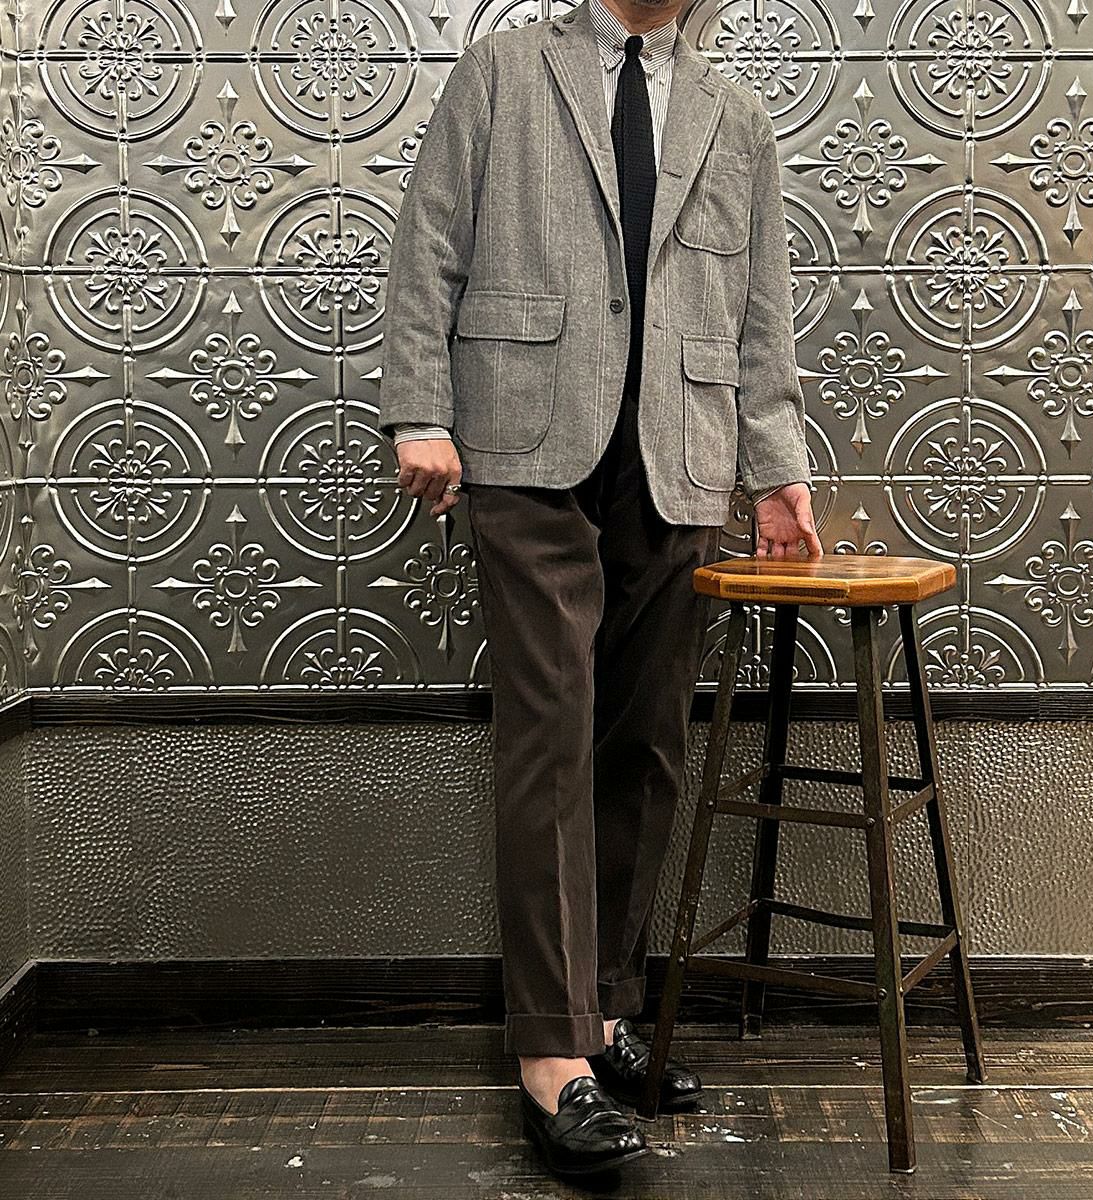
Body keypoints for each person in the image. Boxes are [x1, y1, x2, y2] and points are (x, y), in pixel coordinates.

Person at [378, 0, 822, 1178]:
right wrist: (419, 410)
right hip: (524, 445)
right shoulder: (503, 70)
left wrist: (777, 470)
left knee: (645, 746)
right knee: (550, 739)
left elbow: (761, 314)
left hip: (678, 456)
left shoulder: (735, 114)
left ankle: (608, 1008)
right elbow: (430, 242)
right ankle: (550, 1052)